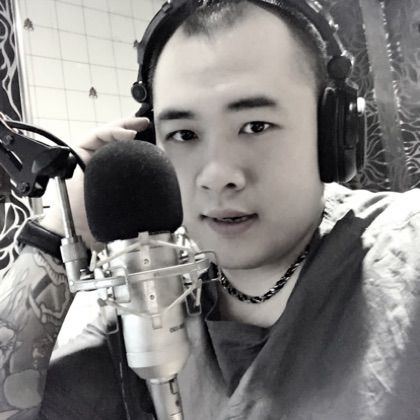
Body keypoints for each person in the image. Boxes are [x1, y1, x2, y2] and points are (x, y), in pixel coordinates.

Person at [1, 1, 420, 419]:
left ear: (334, 135)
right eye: (184, 134)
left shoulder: (407, 247)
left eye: (256, 126)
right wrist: (58, 233)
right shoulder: (148, 300)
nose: (217, 176)